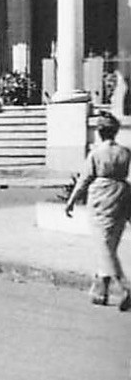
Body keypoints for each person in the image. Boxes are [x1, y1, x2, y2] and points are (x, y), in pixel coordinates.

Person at [64, 111, 131, 309]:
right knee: (109, 246)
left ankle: (124, 287)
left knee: (103, 246)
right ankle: (100, 291)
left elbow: (84, 179)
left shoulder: (96, 153)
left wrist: (71, 201)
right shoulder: (125, 152)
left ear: (100, 132)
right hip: (121, 195)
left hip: (101, 197)